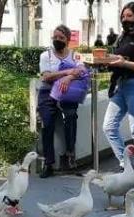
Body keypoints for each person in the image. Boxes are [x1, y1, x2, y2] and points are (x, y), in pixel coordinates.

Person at [102, 2, 134, 178]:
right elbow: (120, 56)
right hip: (120, 84)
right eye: (123, 16)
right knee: (109, 126)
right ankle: (125, 164)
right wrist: (108, 60)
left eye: (129, 16)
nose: (125, 19)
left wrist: (124, 63)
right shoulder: (122, 36)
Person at [37, 25, 86, 178]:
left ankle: (71, 158)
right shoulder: (46, 56)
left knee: (71, 118)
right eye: (55, 37)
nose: (57, 40)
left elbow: (82, 71)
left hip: (67, 93)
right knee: (47, 124)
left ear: (68, 40)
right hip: (48, 93)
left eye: (61, 38)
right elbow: (46, 76)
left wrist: (68, 77)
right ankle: (49, 163)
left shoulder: (75, 55)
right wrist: (67, 71)